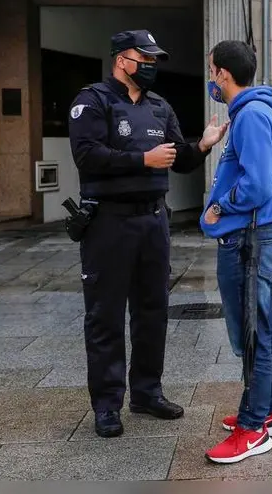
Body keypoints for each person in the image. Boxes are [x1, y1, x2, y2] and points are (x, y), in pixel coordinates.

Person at [68, 29, 228, 438]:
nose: (151, 66)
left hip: (153, 221)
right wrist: (143, 159)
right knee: (105, 316)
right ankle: (107, 406)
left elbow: (177, 159)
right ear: (121, 60)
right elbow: (87, 155)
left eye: (154, 60)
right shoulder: (93, 101)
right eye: (145, 59)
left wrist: (203, 146)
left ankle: (146, 392)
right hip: (108, 222)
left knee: (152, 311)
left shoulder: (159, 106)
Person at [199, 40, 272, 464]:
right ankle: (267, 411)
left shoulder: (251, 115)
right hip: (256, 236)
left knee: (254, 333)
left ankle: (253, 429)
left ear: (223, 73)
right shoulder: (255, 112)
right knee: (263, 327)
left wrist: (220, 206)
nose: (210, 78)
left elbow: (257, 185)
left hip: (248, 239)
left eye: (211, 70)